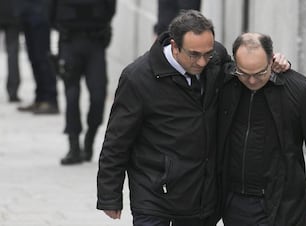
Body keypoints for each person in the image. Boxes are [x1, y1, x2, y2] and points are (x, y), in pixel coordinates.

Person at [96, 10, 290, 226]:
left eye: (207, 53)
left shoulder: (216, 58)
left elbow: (247, 72)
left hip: (201, 196)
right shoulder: (138, 78)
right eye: (194, 55)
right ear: (175, 46)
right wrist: (109, 195)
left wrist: (276, 62)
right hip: (154, 196)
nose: (202, 62)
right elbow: (117, 141)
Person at [217, 32, 306, 226]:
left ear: (271, 60)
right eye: (244, 73)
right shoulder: (226, 82)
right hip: (235, 202)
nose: (251, 81)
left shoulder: (298, 89)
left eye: (259, 73)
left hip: (283, 202)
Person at [49, 0, 116, 165]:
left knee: (98, 94)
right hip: (69, 40)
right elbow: (50, 12)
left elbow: (110, 9)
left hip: (95, 41)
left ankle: (90, 138)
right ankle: (73, 146)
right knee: (71, 95)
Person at [14, 0, 59, 114]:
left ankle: (50, 100)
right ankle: (40, 98)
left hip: (40, 16)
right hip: (27, 14)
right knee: (34, 59)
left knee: (43, 59)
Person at [0, 0, 21, 103]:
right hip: (13, 12)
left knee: (12, 54)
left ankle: (13, 90)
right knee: (12, 54)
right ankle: (13, 91)